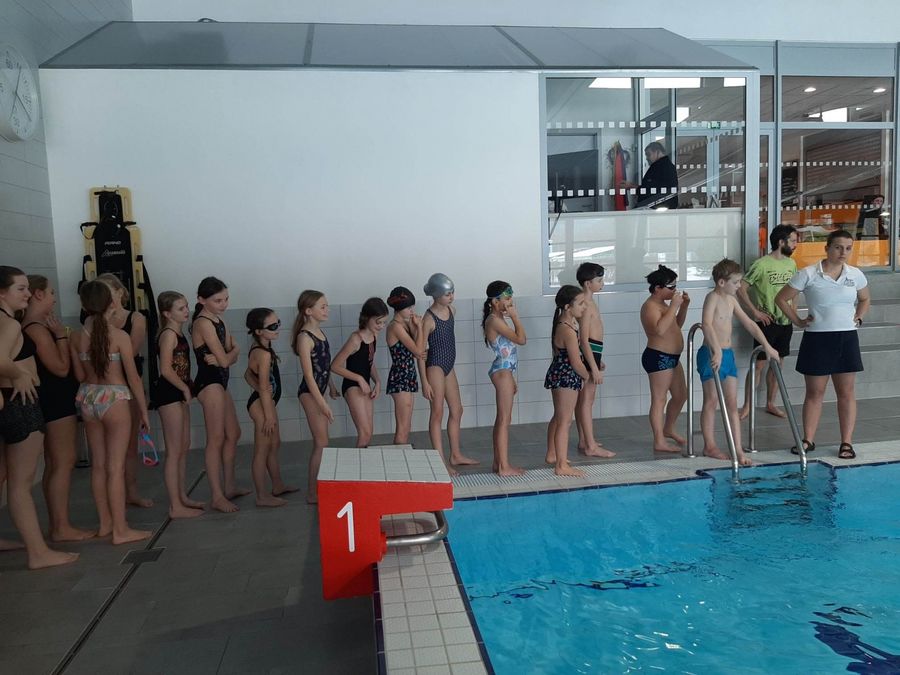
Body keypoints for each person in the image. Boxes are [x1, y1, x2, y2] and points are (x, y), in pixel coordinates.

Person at [0, 267, 78, 568]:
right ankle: (38, 553)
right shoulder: (9, 323)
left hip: (11, 401)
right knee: (20, 484)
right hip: (21, 403)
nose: (27, 294)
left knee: (8, 477)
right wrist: (19, 373)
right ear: (2, 293)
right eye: (20, 289)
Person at [776, 230, 870, 460]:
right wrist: (798, 320)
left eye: (848, 248)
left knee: (846, 392)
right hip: (818, 338)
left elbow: (865, 298)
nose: (843, 252)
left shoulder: (855, 274)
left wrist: (859, 317)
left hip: (846, 338)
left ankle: (846, 442)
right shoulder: (808, 273)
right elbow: (781, 298)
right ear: (827, 248)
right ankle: (808, 439)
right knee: (814, 392)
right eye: (838, 247)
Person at [72, 280, 151, 545]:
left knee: (99, 465)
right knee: (116, 468)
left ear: (84, 304)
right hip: (115, 398)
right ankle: (121, 530)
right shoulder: (119, 336)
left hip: (88, 397)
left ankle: (105, 523)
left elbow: (79, 375)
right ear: (111, 303)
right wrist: (144, 411)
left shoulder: (76, 336)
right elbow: (133, 378)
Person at [22, 275, 95, 541]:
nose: (54, 298)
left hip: (52, 399)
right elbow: (61, 368)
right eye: (51, 292)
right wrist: (61, 337)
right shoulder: (37, 329)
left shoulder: (31, 326)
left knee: (56, 463)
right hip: (54, 401)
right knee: (63, 461)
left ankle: (58, 524)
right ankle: (61, 526)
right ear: (38, 294)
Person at [697, 259, 780, 466]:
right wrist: (716, 350)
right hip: (710, 354)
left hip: (727, 355)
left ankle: (738, 449)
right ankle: (710, 446)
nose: (739, 286)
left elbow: (750, 324)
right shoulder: (712, 298)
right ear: (721, 282)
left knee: (732, 403)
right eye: (735, 282)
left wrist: (767, 346)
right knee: (711, 400)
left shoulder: (732, 301)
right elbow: (706, 324)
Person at [96, 273, 152, 509]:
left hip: (129, 383)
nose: (106, 297)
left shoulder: (135, 318)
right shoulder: (95, 320)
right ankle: (111, 498)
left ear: (120, 292)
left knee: (129, 445)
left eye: (109, 291)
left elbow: (132, 349)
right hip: (104, 387)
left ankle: (131, 491)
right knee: (105, 450)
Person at [191, 277, 246, 513]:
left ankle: (229, 486)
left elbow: (230, 354)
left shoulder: (219, 319)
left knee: (233, 433)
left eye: (226, 299)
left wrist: (231, 353)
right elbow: (226, 359)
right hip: (209, 383)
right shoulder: (203, 323)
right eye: (218, 300)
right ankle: (216, 496)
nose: (224, 304)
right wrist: (232, 353)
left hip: (220, 382)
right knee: (215, 438)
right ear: (201, 300)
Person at [737, 225, 799, 420]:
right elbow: (741, 288)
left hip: (785, 322)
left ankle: (771, 403)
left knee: (778, 364)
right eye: (793, 240)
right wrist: (754, 311)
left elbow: (794, 290)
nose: (796, 244)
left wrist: (794, 311)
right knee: (759, 364)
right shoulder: (761, 264)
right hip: (767, 322)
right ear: (781, 242)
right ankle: (747, 405)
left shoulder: (791, 264)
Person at [421, 273, 477, 475]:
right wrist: (424, 382)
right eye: (447, 294)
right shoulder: (428, 319)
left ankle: (456, 454)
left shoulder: (452, 310)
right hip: (434, 366)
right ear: (436, 295)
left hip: (448, 366)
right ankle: (441, 461)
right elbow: (420, 353)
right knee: (437, 412)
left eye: (452, 292)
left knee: (457, 409)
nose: (452, 297)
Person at [153, 291, 204, 519]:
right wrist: (184, 388)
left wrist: (187, 386)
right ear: (167, 313)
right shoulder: (168, 335)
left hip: (179, 390)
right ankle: (175, 506)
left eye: (186, 307)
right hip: (169, 393)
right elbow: (165, 369)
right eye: (181, 309)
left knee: (184, 445)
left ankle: (182, 496)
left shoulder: (179, 333)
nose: (186, 311)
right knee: (174, 451)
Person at [292, 290, 338, 504]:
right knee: (321, 443)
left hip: (319, 391)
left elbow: (324, 365)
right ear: (308, 311)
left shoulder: (319, 332)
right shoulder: (304, 338)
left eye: (327, 306)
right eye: (323, 307)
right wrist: (322, 404)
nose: (327, 310)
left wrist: (331, 386)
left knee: (323, 443)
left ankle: (319, 488)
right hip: (310, 393)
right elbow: (309, 375)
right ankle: (313, 493)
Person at [245, 307, 295, 507]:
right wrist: (268, 416)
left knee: (274, 445)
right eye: (272, 326)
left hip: (266, 402)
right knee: (262, 450)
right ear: (259, 331)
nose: (277, 328)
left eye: (278, 323)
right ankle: (261, 496)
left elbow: (248, 374)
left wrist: (260, 389)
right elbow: (265, 387)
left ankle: (277, 485)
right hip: (261, 406)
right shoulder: (263, 354)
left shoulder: (262, 348)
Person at [640, 265, 690, 453]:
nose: (675, 290)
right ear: (658, 288)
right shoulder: (650, 306)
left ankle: (668, 429)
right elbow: (659, 330)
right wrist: (675, 306)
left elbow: (675, 325)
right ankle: (659, 440)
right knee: (659, 399)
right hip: (658, 357)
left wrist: (683, 306)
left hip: (672, 357)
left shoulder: (664, 304)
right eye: (671, 287)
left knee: (681, 395)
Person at [544, 285, 591, 478]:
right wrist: (588, 376)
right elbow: (576, 362)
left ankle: (552, 454)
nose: (584, 307)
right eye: (580, 304)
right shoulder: (567, 330)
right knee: (565, 421)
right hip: (566, 376)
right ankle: (561, 465)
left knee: (559, 417)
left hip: (560, 373)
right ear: (567, 307)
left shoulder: (566, 323)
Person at [331, 298, 389, 448]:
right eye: (378, 322)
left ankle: (364, 461)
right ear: (366, 318)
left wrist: (377, 382)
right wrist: (359, 379)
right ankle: (358, 462)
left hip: (365, 385)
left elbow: (369, 362)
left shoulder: (374, 336)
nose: (381, 326)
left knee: (369, 432)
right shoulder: (356, 339)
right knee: (364, 433)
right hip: (352, 386)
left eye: (384, 323)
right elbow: (335, 366)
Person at [482, 281, 526, 476]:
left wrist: (511, 377)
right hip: (501, 372)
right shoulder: (494, 320)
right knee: (504, 420)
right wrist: (515, 317)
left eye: (510, 297)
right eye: (507, 298)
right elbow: (521, 340)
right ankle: (503, 467)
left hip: (504, 371)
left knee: (502, 419)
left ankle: (497, 463)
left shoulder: (498, 318)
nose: (510, 301)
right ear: (495, 301)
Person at [574, 263, 615, 459]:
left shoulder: (590, 302)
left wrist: (598, 360)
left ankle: (584, 440)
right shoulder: (585, 304)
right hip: (589, 351)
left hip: (594, 351)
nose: (602, 283)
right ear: (587, 283)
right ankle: (590, 445)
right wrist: (593, 367)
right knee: (586, 401)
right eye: (599, 280)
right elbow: (583, 340)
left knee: (586, 400)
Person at [385, 286, 430, 445]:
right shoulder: (395, 326)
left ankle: (402, 456)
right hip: (400, 377)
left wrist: (416, 328)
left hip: (408, 376)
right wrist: (419, 327)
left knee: (407, 426)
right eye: (409, 308)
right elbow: (418, 351)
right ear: (399, 308)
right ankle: (399, 458)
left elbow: (419, 348)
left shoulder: (405, 324)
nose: (412, 311)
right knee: (402, 428)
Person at [622, 141, 678, 209]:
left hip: (656, 208)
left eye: (648, 154)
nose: (647, 158)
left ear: (657, 152)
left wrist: (632, 187)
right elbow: (652, 187)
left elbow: (653, 190)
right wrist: (632, 186)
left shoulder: (663, 168)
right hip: (655, 207)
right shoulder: (661, 166)